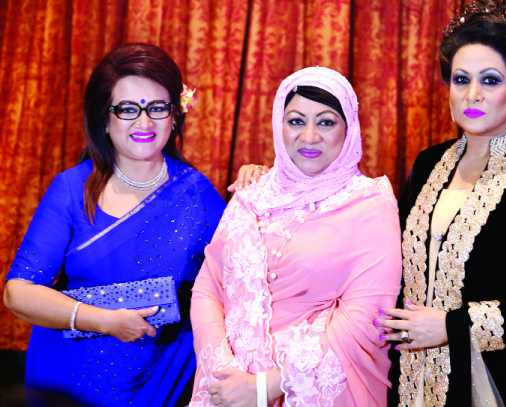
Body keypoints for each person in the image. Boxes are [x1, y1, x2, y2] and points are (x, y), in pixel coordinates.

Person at [374, 1, 506, 406]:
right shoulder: (429, 163)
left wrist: (451, 326)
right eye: (461, 79)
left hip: (504, 377)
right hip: (415, 375)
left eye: (490, 80)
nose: (473, 94)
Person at [3, 43, 225, 406]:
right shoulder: (72, 189)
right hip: (65, 383)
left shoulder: (197, 194)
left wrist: (260, 188)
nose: (144, 123)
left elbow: (240, 278)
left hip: (157, 380)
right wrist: (105, 321)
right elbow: (19, 292)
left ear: (175, 115)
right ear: (105, 120)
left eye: (157, 108)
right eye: (127, 109)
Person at [189, 66, 402, 406]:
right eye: (296, 121)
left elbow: (365, 320)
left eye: (326, 122)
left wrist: (263, 388)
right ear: (279, 124)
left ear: (349, 128)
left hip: (313, 392)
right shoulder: (252, 196)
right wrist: (223, 371)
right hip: (230, 389)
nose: (309, 137)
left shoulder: (369, 204)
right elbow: (208, 289)